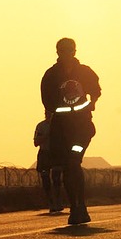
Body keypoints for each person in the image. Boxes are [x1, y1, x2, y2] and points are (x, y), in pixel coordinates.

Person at [39, 38, 102, 225]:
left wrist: (92, 103)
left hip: (81, 127)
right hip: (61, 127)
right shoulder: (51, 75)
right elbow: (47, 101)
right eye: (62, 50)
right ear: (57, 52)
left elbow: (96, 90)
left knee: (74, 160)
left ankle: (80, 204)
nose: (66, 53)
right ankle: (75, 205)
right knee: (66, 166)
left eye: (69, 50)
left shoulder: (85, 72)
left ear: (74, 51)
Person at [33, 112, 63, 214]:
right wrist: (48, 135)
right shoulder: (41, 126)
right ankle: (51, 203)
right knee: (45, 178)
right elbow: (36, 142)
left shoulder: (60, 125)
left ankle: (58, 202)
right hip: (45, 153)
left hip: (56, 153)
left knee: (56, 179)